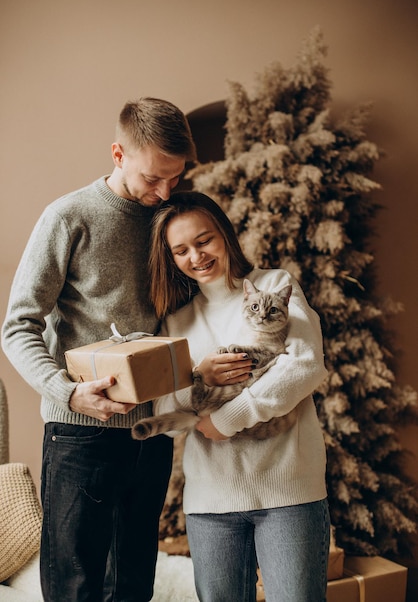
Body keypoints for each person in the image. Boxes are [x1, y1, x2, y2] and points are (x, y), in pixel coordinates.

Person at [1, 98, 197, 602]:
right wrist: (67, 394)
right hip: (78, 435)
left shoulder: (170, 219)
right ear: (117, 153)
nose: (164, 191)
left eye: (175, 179)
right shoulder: (68, 217)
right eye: (154, 178)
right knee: (74, 585)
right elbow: (17, 326)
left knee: (133, 582)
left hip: (148, 433)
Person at [149, 191, 331, 602]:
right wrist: (199, 375)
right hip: (212, 501)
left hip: (289, 491)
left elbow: (304, 366)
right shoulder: (176, 320)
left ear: (224, 234)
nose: (196, 256)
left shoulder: (275, 285)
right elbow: (162, 407)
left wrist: (227, 419)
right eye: (180, 250)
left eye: (204, 240)